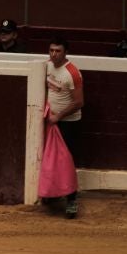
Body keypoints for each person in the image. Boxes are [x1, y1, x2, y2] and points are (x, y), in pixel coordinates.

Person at [44, 38, 84, 219]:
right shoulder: (46, 66)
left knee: (66, 161)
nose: (53, 54)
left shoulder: (73, 73)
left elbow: (79, 102)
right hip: (51, 120)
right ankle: (53, 193)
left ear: (65, 52)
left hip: (69, 122)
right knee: (50, 158)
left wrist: (58, 116)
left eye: (58, 51)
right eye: (51, 50)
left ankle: (71, 200)